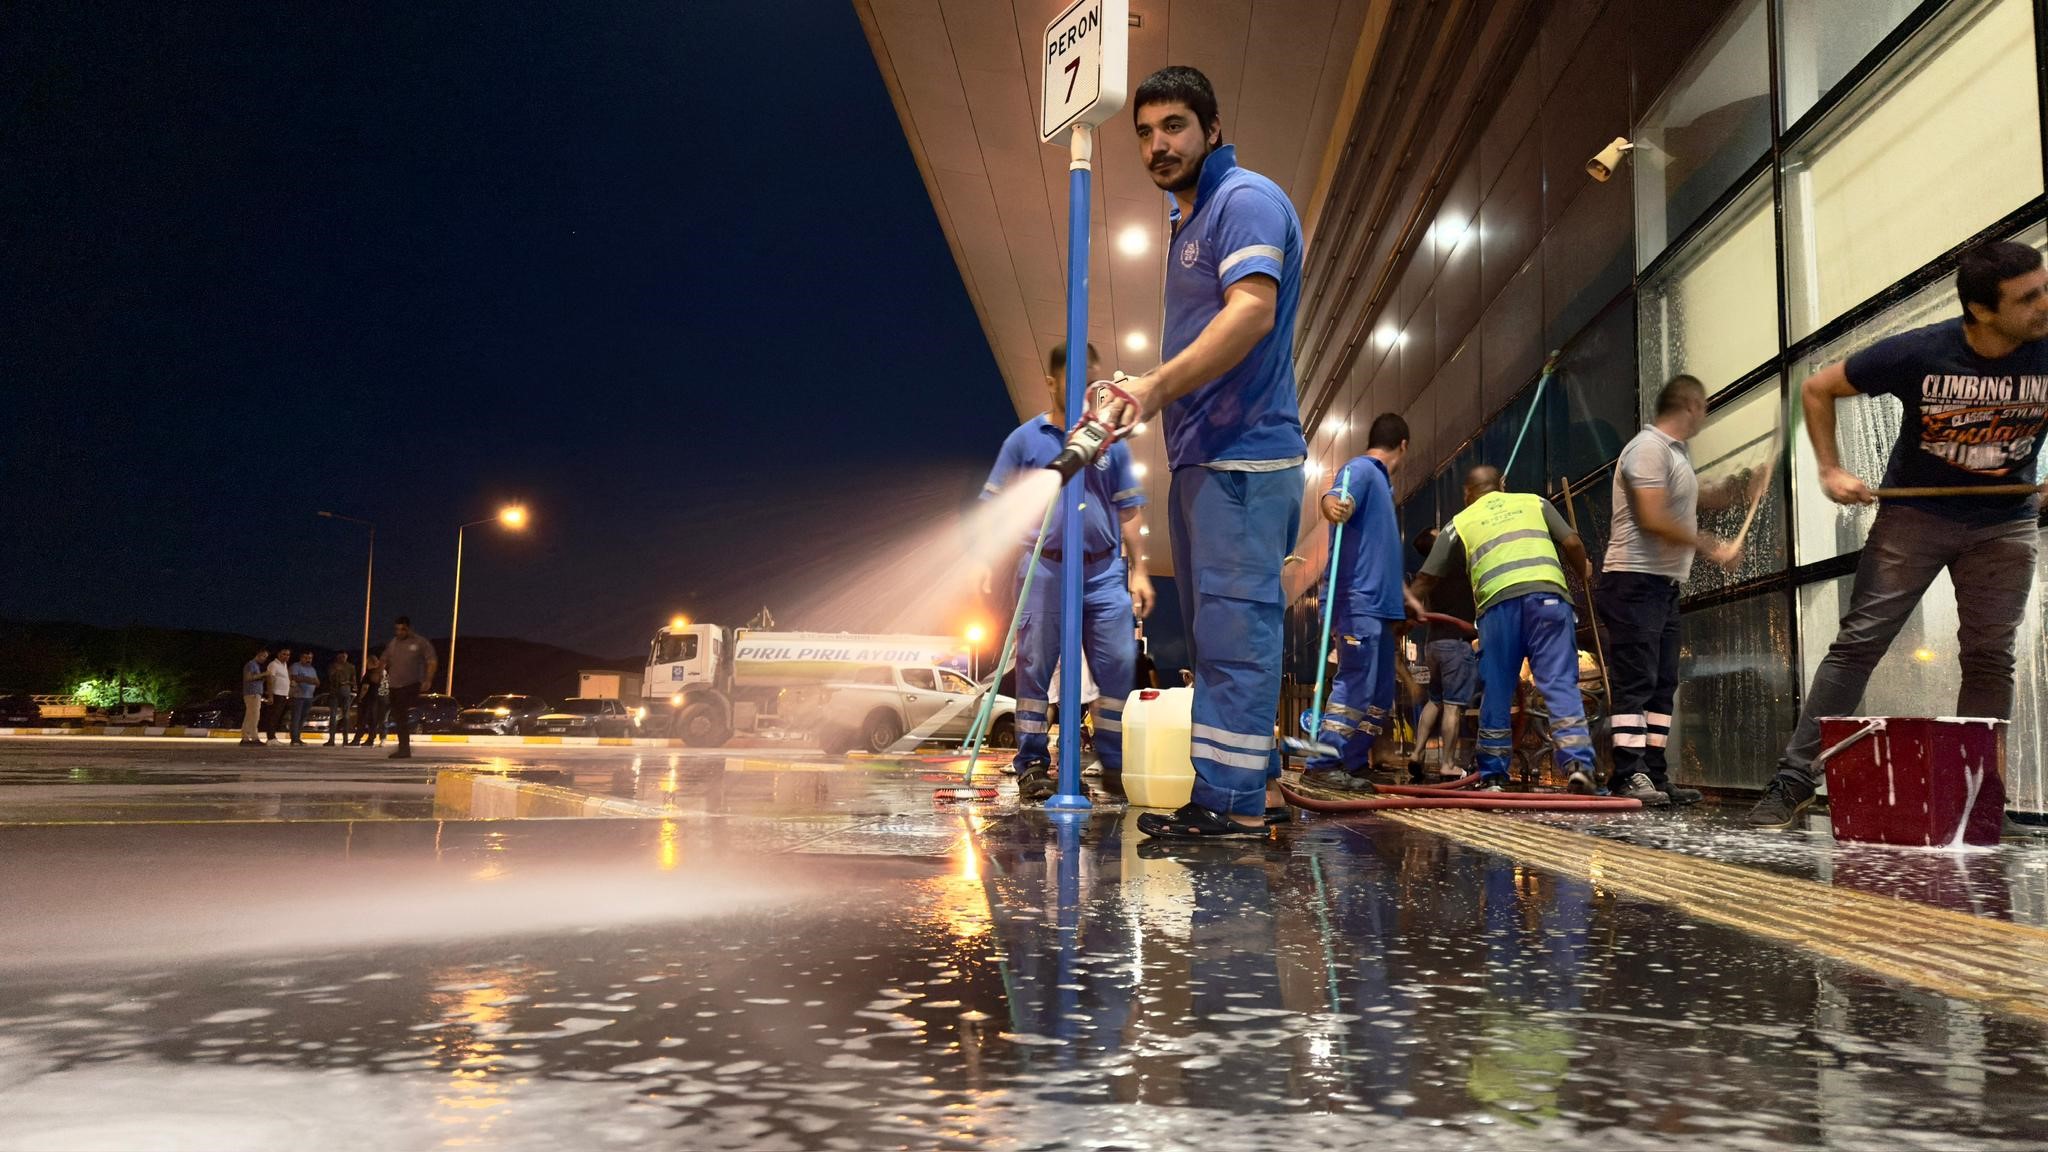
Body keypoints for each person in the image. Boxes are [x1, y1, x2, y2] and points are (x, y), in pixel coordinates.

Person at [1748, 240, 2048, 828]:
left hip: (2006, 520)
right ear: (1982, 311)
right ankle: (1793, 780)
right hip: (1914, 518)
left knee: (1990, 658)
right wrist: (1830, 469)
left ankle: (1978, 801)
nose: (2046, 303)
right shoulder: (1921, 351)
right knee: (1859, 644)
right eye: (2030, 297)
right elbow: (1817, 387)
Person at [1092, 66, 1309, 839]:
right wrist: (1144, 389)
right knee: (1218, 639)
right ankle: (1244, 790)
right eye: (1146, 132)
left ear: (1213, 130)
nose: (1158, 144)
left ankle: (1231, 805)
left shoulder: (1241, 199)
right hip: (1206, 458)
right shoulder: (1191, 218)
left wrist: (1151, 388)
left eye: (1175, 126)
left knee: (1235, 635)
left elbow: (1251, 314)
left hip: (1242, 458)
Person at [977, 341, 1152, 802]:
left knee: (1117, 666)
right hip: (1044, 568)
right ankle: (1033, 765)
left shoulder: (1110, 441)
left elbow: (1128, 511)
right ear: (1051, 382)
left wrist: (1140, 572)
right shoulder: (1024, 440)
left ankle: (1113, 762)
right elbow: (997, 506)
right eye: (1069, 378)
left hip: (1103, 572)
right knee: (1035, 670)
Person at [1599, 374, 1767, 806]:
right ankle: (1627, 775)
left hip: (1661, 585)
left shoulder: (1675, 454)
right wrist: (1712, 547)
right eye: (1705, 406)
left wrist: (1740, 486)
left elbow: (1698, 498)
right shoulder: (1648, 449)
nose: (1706, 416)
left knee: (1661, 683)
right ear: (1691, 404)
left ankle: (1654, 775)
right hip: (1633, 580)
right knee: (1636, 682)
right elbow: (1653, 517)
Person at [1407, 466, 1597, 792]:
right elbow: (1572, 543)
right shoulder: (1535, 503)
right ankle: (1579, 765)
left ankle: (1493, 773)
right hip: (1549, 601)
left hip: (1499, 609)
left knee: (1497, 687)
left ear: (1467, 494)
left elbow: (1425, 578)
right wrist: (1583, 571)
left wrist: (1405, 616)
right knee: (1560, 684)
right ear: (1502, 487)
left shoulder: (1459, 522)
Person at [1299, 413, 1410, 791]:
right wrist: (1333, 507)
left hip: (1379, 605)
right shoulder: (1362, 469)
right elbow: (1334, 498)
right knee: (1356, 681)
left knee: (1380, 692)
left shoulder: (1381, 484)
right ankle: (1322, 763)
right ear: (1404, 446)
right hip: (1357, 600)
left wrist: (1406, 598)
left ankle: (1353, 758)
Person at [1404, 528, 1479, 784]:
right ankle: (1448, 765)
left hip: (1433, 645)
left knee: (1434, 700)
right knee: (1453, 706)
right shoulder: (1455, 564)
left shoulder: (1431, 573)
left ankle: (1416, 753)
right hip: (1455, 642)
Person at [380, 617, 438, 760]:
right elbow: (384, 659)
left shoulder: (420, 642)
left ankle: (404, 749)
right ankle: (403, 748)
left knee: (401, 713)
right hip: (394, 685)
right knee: (399, 716)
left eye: (402, 629)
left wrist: (428, 679)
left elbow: (431, 660)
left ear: (408, 628)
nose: (399, 632)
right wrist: (378, 673)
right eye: (397, 629)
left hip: (411, 684)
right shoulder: (393, 644)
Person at [351, 654, 386, 746]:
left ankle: (357, 739)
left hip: (367, 699)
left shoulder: (370, 673)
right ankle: (371, 739)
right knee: (372, 720)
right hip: (376, 699)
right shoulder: (379, 674)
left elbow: (365, 687)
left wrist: (360, 698)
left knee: (362, 719)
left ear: (369, 662)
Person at [324, 651, 356, 746]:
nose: (343, 658)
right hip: (336, 691)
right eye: (342, 656)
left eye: (345, 656)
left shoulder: (350, 667)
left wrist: (346, 683)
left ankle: (343, 739)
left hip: (343, 691)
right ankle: (333, 739)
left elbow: (353, 681)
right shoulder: (333, 666)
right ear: (338, 656)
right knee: (335, 716)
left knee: (344, 716)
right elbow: (330, 677)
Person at [239, 646, 269, 746]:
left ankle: (246, 738)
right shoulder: (251, 664)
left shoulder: (255, 665)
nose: (265, 659)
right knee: (254, 716)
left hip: (255, 693)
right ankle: (253, 737)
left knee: (250, 716)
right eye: (264, 656)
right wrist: (264, 674)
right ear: (259, 655)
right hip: (252, 693)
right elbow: (248, 678)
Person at [287, 651, 318, 745]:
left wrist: (304, 679)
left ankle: (298, 738)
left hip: (309, 697)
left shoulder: (312, 669)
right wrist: (310, 680)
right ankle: (294, 739)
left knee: (303, 719)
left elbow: (317, 682)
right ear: (301, 658)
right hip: (297, 696)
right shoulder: (296, 666)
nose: (308, 660)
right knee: (296, 718)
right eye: (306, 657)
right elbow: (295, 677)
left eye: (310, 658)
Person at [263, 647, 291, 743]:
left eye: (288, 655)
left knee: (277, 717)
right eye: (284, 654)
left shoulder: (284, 665)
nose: (286, 656)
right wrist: (270, 695)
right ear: (278, 654)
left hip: (283, 695)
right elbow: (270, 679)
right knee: (272, 716)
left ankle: (273, 737)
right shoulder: (273, 664)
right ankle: (270, 738)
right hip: (276, 694)